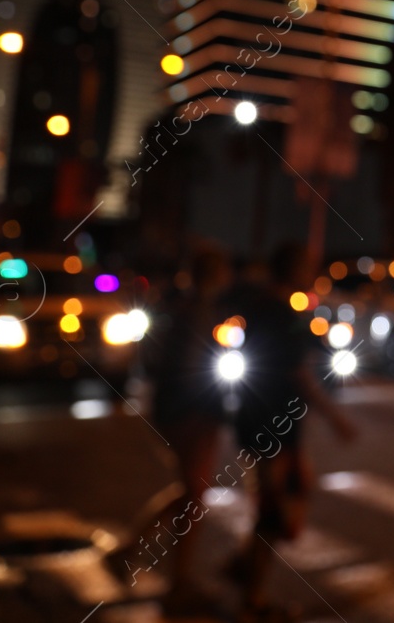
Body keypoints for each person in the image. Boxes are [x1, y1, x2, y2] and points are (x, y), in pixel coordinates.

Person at [224, 244, 357, 623]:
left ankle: (242, 567)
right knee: (275, 510)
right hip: (272, 423)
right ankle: (253, 601)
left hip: (264, 420)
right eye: (307, 266)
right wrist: (335, 418)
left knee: (288, 498)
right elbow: (298, 374)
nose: (312, 272)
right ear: (293, 269)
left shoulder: (269, 307)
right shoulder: (279, 312)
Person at [137, 245, 232, 615]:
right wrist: (210, 410)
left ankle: (133, 549)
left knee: (191, 492)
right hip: (192, 415)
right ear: (216, 274)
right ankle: (179, 583)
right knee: (194, 497)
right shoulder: (201, 312)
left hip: (177, 411)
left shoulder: (185, 308)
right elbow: (194, 372)